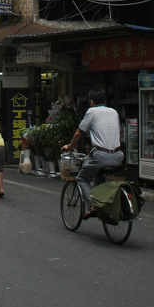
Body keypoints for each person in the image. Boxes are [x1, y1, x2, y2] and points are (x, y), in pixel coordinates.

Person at [61, 87, 123, 216]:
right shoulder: (114, 112)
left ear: (92, 101)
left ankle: (93, 205)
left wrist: (70, 146)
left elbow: (79, 133)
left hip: (101, 156)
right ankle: (101, 201)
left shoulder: (92, 112)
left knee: (81, 178)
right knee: (98, 174)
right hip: (118, 156)